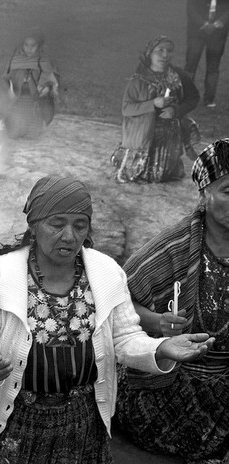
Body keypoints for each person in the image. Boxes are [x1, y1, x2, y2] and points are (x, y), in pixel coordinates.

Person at [0, 175, 214, 463]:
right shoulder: (0, 274)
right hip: (16, 415)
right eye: (57, 224)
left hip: (82, 420)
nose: (69, 236)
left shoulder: (106, 273)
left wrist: (160, 348)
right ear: (34, 225)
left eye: (79, 226)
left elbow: (125, 337)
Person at [115, 138, 229, 463]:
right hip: (174, 383)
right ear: (204, 196)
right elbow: (117, 305)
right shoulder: (173, 248)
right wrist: (156, 322)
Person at [111, 35, 201, 184]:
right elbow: (126, 109)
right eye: (160, 50)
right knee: (141, 174)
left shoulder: (178, 76)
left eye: (169, 51)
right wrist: (153, 103)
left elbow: (193, 98)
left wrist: (176, 110)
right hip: (143, 134)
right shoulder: (138, 80)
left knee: (163, 176)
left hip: (169, 134)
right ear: (150, 54)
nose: (165, 55)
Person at [3, 32, 60, 139]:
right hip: (18, 102)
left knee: (31, 137)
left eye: (33, 46)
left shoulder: (43, 61)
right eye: (26, 45)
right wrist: (9, 88)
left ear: (38, 46)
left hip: (35, 105)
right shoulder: (15, 60)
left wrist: (47, 88)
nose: (29, 49)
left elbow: (51, 79)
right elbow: (6, 77)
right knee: (13, 134)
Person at [185, 0, 229, 108]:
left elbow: (191, 8)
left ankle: (207, 98)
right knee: (193, 65)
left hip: (211, 33)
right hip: (200, 32)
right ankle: (202, 99)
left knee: (205, 66)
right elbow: (191, 8)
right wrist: (211, 24)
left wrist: (213, 25)